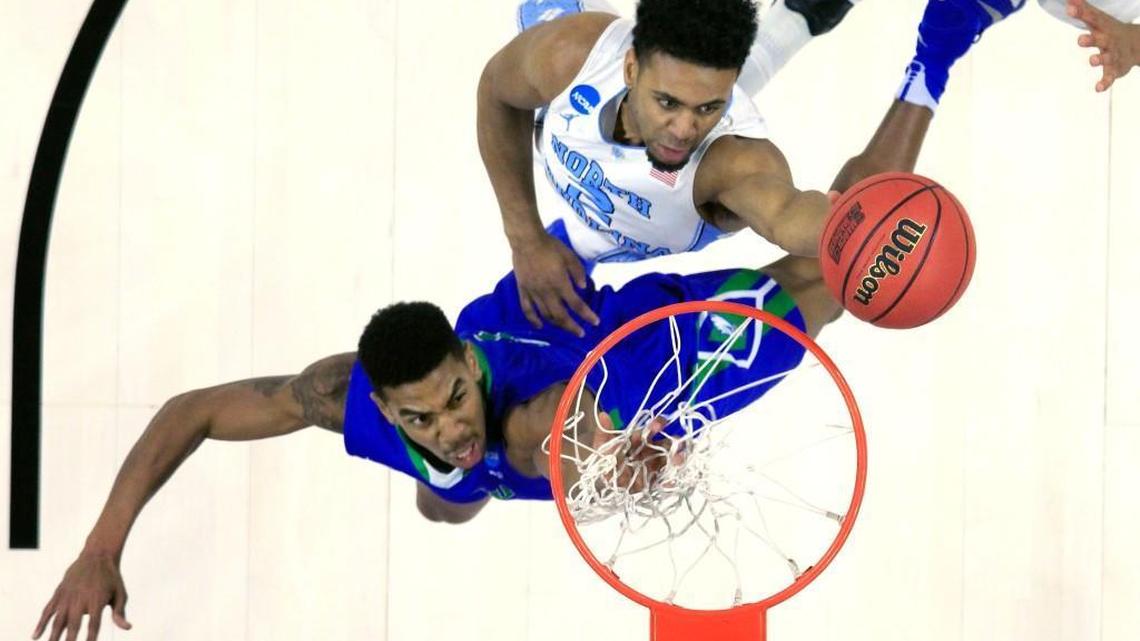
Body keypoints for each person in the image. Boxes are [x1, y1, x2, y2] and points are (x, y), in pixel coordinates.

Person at [32, 251, 838, 641]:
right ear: (382, 408)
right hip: (477, 478)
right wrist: (99, 548)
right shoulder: (349, 395)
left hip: (603, 384)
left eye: (456, 396)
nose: (449, 423)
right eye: (419, 417)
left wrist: (624, 458)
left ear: (466, 360)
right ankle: (461, 487)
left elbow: (546, 432)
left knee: (830, 279)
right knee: (445, 501)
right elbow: (192, 410)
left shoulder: (538, 400)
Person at [478, 0, 836, 337]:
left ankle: (798, 16)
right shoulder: (573, 55)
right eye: (667, 102)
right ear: (631, 68)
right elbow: (497, 91)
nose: (683, 131)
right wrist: (524, 238)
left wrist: (843, 231)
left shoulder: (731, 163)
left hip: (602, 216)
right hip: (571, 99)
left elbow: (786, 214)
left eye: (711, 107)